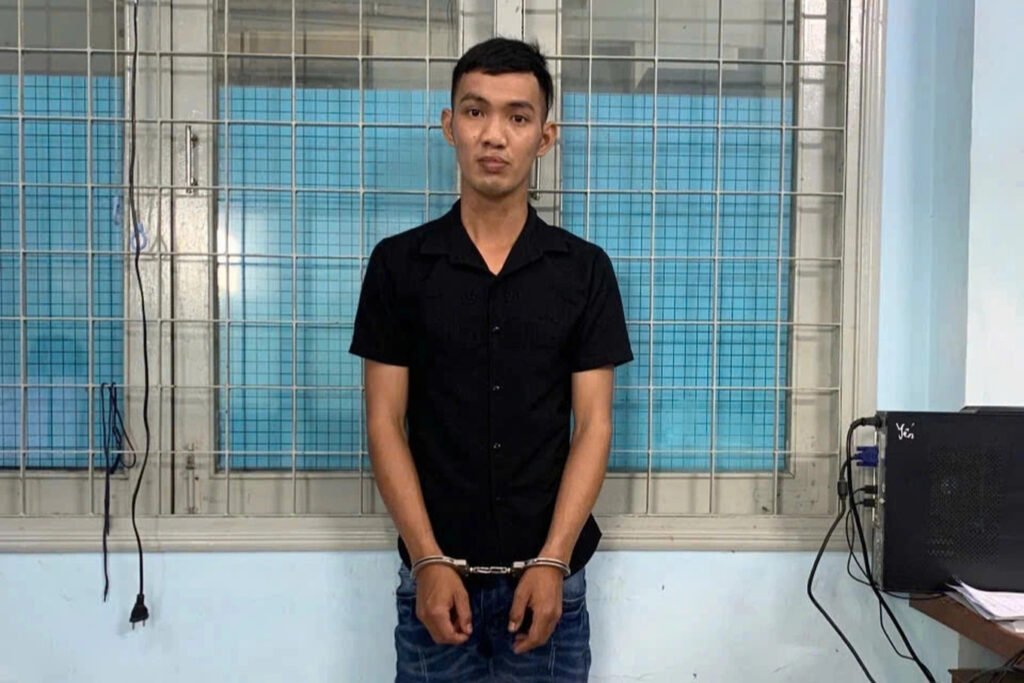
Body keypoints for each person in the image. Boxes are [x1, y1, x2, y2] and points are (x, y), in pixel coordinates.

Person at [349, 36, 633, 682]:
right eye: (475, 111)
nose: (494, 135)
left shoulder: (584, 271)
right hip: (435, 584)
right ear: (449, 125)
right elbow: (384, 423)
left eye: (518, 116)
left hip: (549, 584)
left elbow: (594, 425)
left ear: (545, 137)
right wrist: (427, 558)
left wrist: (553, 560)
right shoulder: (399, 266)